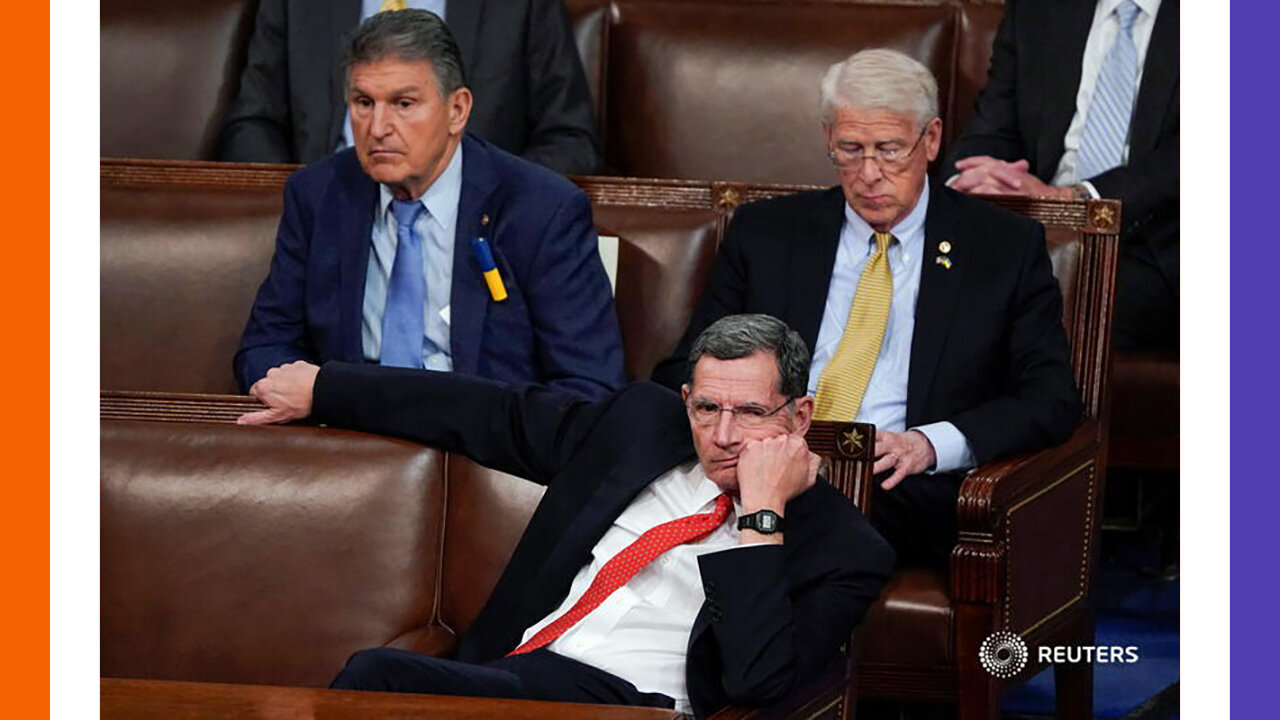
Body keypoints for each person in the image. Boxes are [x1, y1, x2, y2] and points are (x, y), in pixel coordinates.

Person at [237, 313, 894, 718]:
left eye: (750, 413)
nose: (722, 435)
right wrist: (328, 387)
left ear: (798, 416)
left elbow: (757, 681)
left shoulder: (845, 549)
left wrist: (761, 517)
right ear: (685, 399)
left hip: (636, 706)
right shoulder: (640, 428)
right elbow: (494, 414)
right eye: (705, 409)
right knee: (373, 674)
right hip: (518, 675)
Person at [651, 49, 1081, 569]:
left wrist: (930, 444)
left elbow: (1050, 397)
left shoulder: (1002, 247)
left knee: (806, 525)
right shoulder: (767, 235)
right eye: (851, 150)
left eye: (890, 150)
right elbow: (685, 369)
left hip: (896, 486)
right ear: (828, 139)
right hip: (758, 461)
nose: (869, 174)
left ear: (932, 139)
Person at [234, 9, 625, 400]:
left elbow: (590, 387)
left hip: (484, 446)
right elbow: (264, 347)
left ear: (457, 110)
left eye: (403, 103)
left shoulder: (541, 210)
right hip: (346, 439)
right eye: (363, 102)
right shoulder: (318, 195)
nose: (378, 128)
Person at [944, 0, 1178, 351]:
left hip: (1157, 242)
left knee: (1036, 300)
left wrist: (1076, 200)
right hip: (1033, 229)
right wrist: (976, 183)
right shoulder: (1039, 9)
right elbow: (993, 129)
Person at [218, 0, 601, 176]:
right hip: (327, 222)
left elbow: (570, 139)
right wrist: (304, 201)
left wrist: (485, 201)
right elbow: (253, 125)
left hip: (470, 231)